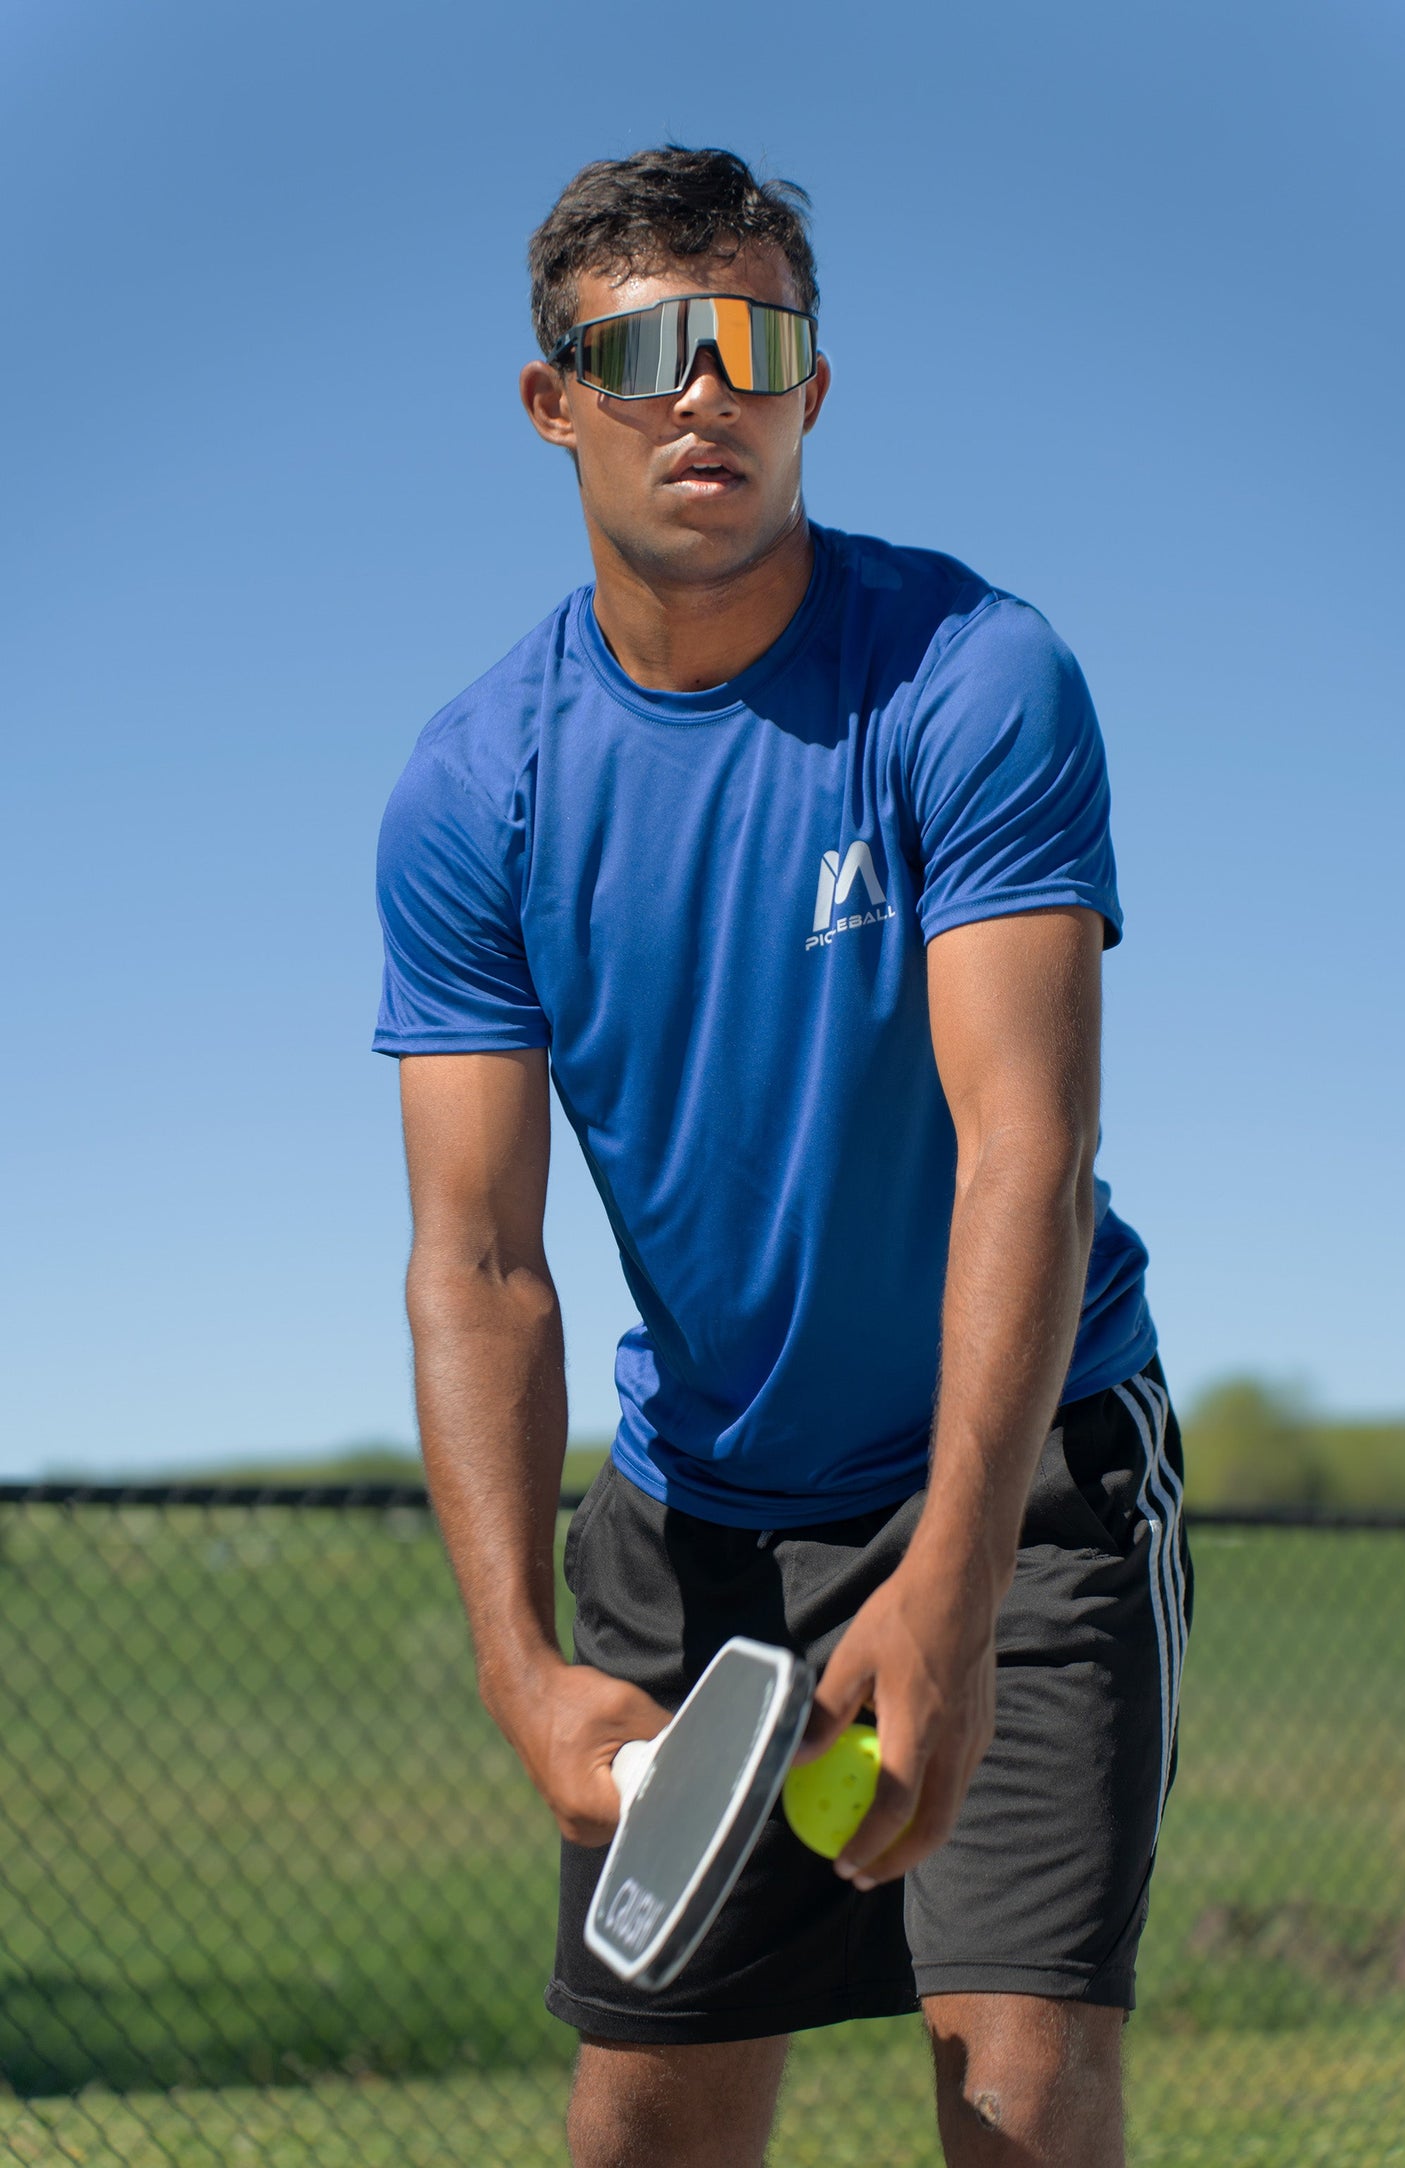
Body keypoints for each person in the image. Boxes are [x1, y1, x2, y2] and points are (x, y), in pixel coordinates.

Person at [373, 145, 1191, 2168]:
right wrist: (519, 1667)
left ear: (814, 387)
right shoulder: (476, 789)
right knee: (646, 2123)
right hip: (699, 1525)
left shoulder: (972, 680)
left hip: (1025, 1482)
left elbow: (1028, 1138)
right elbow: (479, 1261)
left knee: (1016, 2081)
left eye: (755, 339)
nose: (706, 389)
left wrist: (955, 1574)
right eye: (642, 349)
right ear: (553, 401)